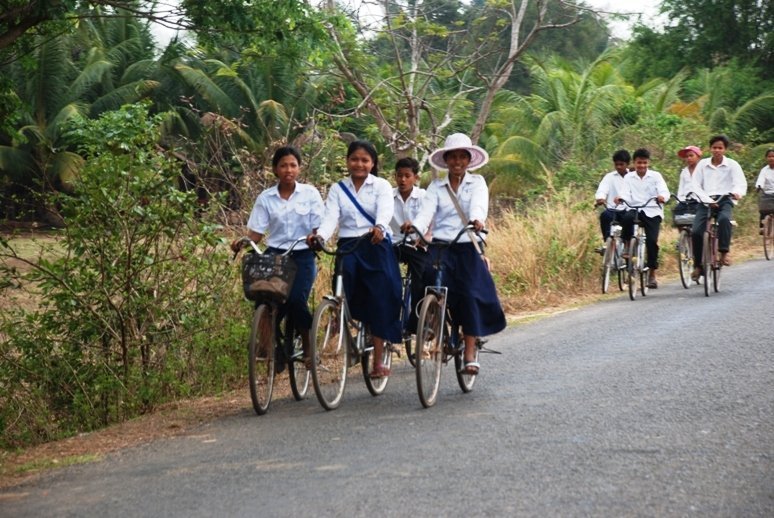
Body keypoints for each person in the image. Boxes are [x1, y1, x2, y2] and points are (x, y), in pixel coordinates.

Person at [406, 133, 506, 376]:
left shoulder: (477, 183)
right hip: (440, 246)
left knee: (470, 295)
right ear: (446, 159)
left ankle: (470, 351)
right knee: (424, 279)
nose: (458, 161)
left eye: (463, 157)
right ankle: (429, 322)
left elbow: (479, 206)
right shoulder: (436, 186)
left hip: (466, 244)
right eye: (453, 157)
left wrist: (477, 220)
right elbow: (426, 212)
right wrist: (416, 227)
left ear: (469, 160)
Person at [307, 140, 402, 379]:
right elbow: (331, 218)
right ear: (348, 161)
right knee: (343, 284)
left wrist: (380, 227)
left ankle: (378, 361)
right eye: (354, 159)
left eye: (364, 160)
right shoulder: (338, 188)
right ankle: (342, 318)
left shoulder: (380, 186)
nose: (359, 164)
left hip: (375, 243)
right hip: (349, 244)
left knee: (379, 299)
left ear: (372, 163)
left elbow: (385, 210)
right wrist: (320, 236)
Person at [231, 146, 324, 371]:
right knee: (264, 300)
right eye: (283, 165)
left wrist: (315, 237)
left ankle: (309, 345)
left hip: (302, 254)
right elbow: (256, 233)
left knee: (295, 300)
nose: (288, 170)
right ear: (275, 169)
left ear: (299, 168)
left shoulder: (310, 193)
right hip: (275, 256)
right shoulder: (266, 198)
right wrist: (242, 241)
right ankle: (273, 347)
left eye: (292, 165)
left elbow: (318, 226)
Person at [690, 135, 747, 281]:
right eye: (714, 147)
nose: (717, 150)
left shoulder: (732, 165)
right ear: (710, 148)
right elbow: (695, 185)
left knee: (724, 219)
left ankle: (723, 252)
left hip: (724, 199)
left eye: (720, 148)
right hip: (705, 201)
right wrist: (707, 200)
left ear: (725, 149)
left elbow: (740, 183)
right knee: (696, 231)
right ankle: (698, 266)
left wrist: (737, 193)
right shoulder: (702, 164)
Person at [614, 148, 670, 288]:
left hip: (652, 210)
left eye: (644, 163)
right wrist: (621, 198)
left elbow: (664, 190)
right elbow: (625, 192)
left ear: (648, 163)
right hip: (635, 208)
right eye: (639, 163)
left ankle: (652, 274)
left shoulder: (656, 176)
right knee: (626, 218)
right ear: (634, 163)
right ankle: (627, 245)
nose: (642, 166)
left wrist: (662, 197)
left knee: (652, 241)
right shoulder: (629, 177)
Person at [390, 157, 430, 335]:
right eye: (399, 176)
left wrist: (426, 235)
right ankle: (388, 318)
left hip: (416, 244)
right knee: (385, 279)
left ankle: (417, 324)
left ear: (416, 178)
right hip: (394, 244)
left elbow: (433, 219)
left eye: (407, 176)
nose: (403, 180)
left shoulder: (424, 197)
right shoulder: (388, 196)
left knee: (420, 283)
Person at [594, 149, 633, 250]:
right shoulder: (609, 177)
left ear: (627, 164)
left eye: (621, 164)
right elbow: (602, 189)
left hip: (628, 210)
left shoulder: (633, 177)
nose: (618, 167)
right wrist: (601, 198)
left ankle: (628, 247)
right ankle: (608, 243)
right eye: (616, 164)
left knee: (631, 222)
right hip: (613, 210)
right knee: (605, 216)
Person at [673, 145, 702, 223]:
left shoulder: (703, 170)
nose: (689, 158)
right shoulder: (684, 172)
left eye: (691, 156)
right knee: (677, 212)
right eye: (687, 156)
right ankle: (683, 233)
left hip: (699, 201)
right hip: (686, 201)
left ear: (698, 157)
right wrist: (680, 201)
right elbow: (681, 188)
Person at [755, 148, 774, 233]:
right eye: (769, 156)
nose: (771, 158)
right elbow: (761, 180)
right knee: (763, 209)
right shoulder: (764, 170)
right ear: (766, 158)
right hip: (767, 193)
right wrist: (759, 186)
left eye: (773, 156)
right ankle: (762, 227)